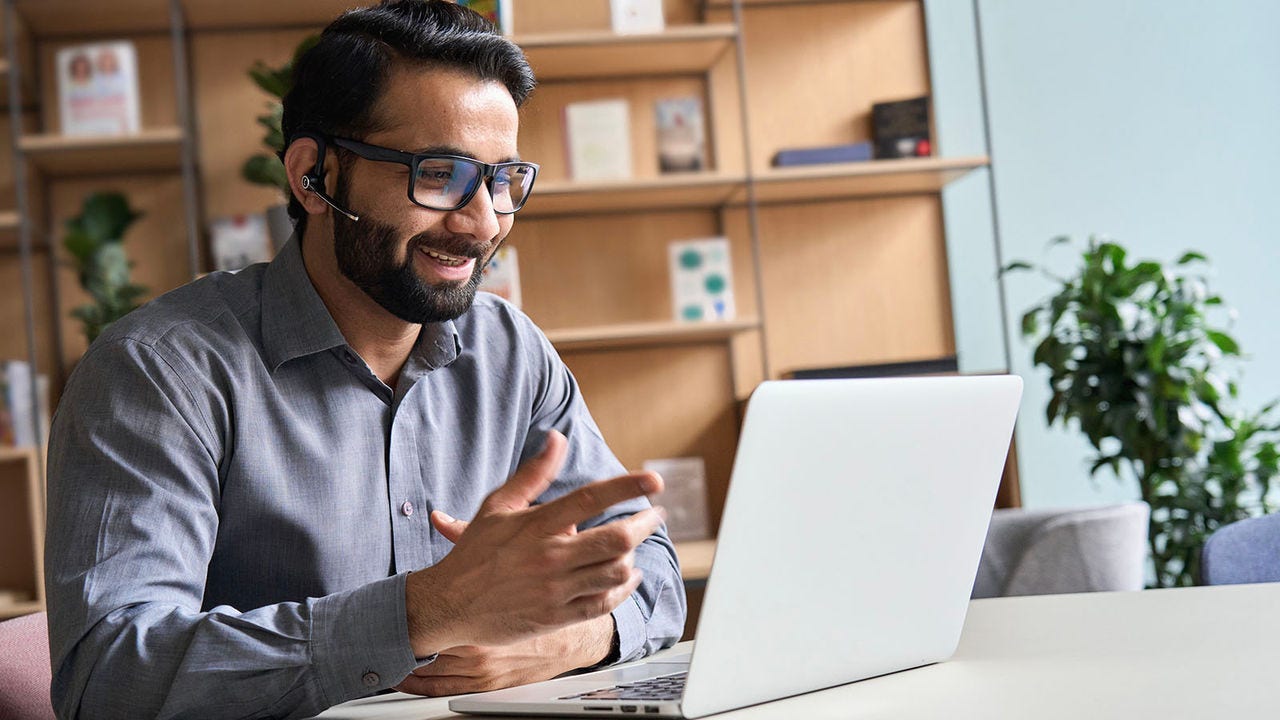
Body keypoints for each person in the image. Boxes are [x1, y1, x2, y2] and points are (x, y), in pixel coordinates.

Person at [43, 2, 686, 718]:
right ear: (312, 176)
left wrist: (553, 645)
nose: (482, 223)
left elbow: (653, 570)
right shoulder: (157, 373)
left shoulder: (510, 351)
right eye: (439, 174)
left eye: (503, 180)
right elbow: (106, 680)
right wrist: (429, 611)